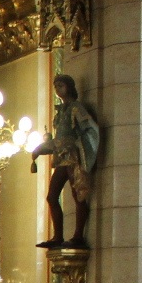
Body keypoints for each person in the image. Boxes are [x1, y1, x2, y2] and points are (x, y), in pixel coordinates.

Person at [30, 74, 100, 250]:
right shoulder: (61, 111)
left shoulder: (76, 108)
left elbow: (90, 129)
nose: (57, 89)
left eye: (60, 85)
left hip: (73, 158)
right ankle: (58, 236)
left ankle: (78, 235)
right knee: (52, 196)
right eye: (56, 86)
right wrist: (44, 147)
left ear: (69, 87)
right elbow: (58, 141)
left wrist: (78, 146)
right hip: (62, 158)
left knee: (78, 196)